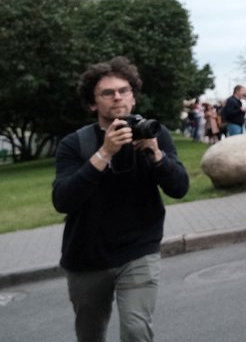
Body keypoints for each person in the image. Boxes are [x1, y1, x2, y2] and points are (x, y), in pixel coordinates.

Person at [52, 56, 189, 342]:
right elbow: (63, 201)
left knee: (137, 330)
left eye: (124, 91)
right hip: (87, 257)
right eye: (107, 93)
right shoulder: (75, 144)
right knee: (90, 335)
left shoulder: (154, 133)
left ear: (133, 98)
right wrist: (104, 153)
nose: (118, 97)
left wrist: (156, 154)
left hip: (139, 248)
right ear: (93, 104)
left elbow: (179, 188)